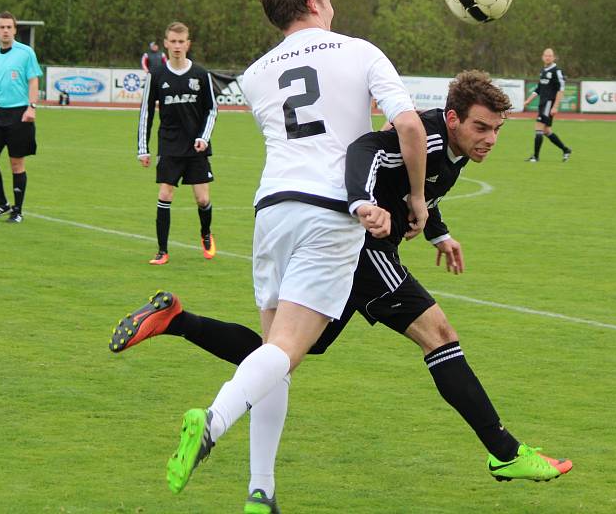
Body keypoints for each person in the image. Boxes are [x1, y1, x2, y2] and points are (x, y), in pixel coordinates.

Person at [110, 71, 572, 512]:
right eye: (481, 127)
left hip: (347, 244)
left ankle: (175, 320)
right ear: (453, 118)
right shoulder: (427, 136)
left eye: (496, 129)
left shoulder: (450, 150)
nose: (490, 138)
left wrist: (437, 234)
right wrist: (361, 201)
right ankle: (505, 451)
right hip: (363, 248)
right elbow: (366, 147)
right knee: (440, 335)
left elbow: (422, 197)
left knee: (286, 352)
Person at [132, 0, 428, 506]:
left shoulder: (256, 74)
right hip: (330, 213)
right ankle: (213, 421)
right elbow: (408, 125)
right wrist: (415, 197)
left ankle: (260, 492)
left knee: (273, 353)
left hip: (271, 211)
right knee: (287, 351)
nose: (334, 6)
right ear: (314, 0)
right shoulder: (359, 51)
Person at [137, 21, 218, 265]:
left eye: (181, 41)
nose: (177, 46)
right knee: (165, 194)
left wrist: (203, 138)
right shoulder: (157, 76)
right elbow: (146, 112)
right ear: (165, 44)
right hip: (170, 145)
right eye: (172, 41)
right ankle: (162, 251)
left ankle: (205, 234)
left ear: (188, 44)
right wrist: (143, 148)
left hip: (196, 147)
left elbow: (212, 110)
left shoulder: (201, 74)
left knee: (202, 199)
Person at [0, 12, 42, 224]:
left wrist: (32, 108)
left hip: (20, 113)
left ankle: (17, 210)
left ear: (14, 30)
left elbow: (33, 82)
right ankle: (1, 203)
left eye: (9, 27)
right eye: (1, 27)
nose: (5, 30)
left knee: (16, 164)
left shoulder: (26, 53)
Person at [522, 48, 572, 162]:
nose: (547, 57)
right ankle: (566, 150)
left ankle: (535, 157)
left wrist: (555, 106)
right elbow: (539, 89)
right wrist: (528, 100)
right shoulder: (543, 71)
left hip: (549, 104)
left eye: (550, 55)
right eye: (546, 55)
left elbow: (561, 90)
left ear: (554, 57)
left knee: (538, 128)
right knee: (546, 131)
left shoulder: (556, 71)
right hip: (543, 103)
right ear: (542, 57)